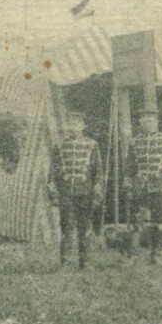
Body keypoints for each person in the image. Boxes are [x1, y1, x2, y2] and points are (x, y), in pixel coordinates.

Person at [48, 110, 103, 269]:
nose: (73, 127)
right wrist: (53, 192)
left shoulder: (92, 145)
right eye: (71, 124)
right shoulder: (60, 146)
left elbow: (97, 171)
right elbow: (53, 171)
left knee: (84, 227)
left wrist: (97, 193)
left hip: (85, 192)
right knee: (66, 227)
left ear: (83, 126)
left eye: (76, 124)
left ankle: (84, 262)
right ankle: (65, 262)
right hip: (66, 193)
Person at [129, 107, 162, 264]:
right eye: (143, 120)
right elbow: (129, 166)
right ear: (140, 122)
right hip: (140, 186)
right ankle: (133, 255)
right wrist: (129, 185)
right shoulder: (134, 141)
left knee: (159, 221)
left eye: (150, 120)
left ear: (156, 121)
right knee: (136, 221)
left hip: (159, 186)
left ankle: (156, 255)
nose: (147, 123)